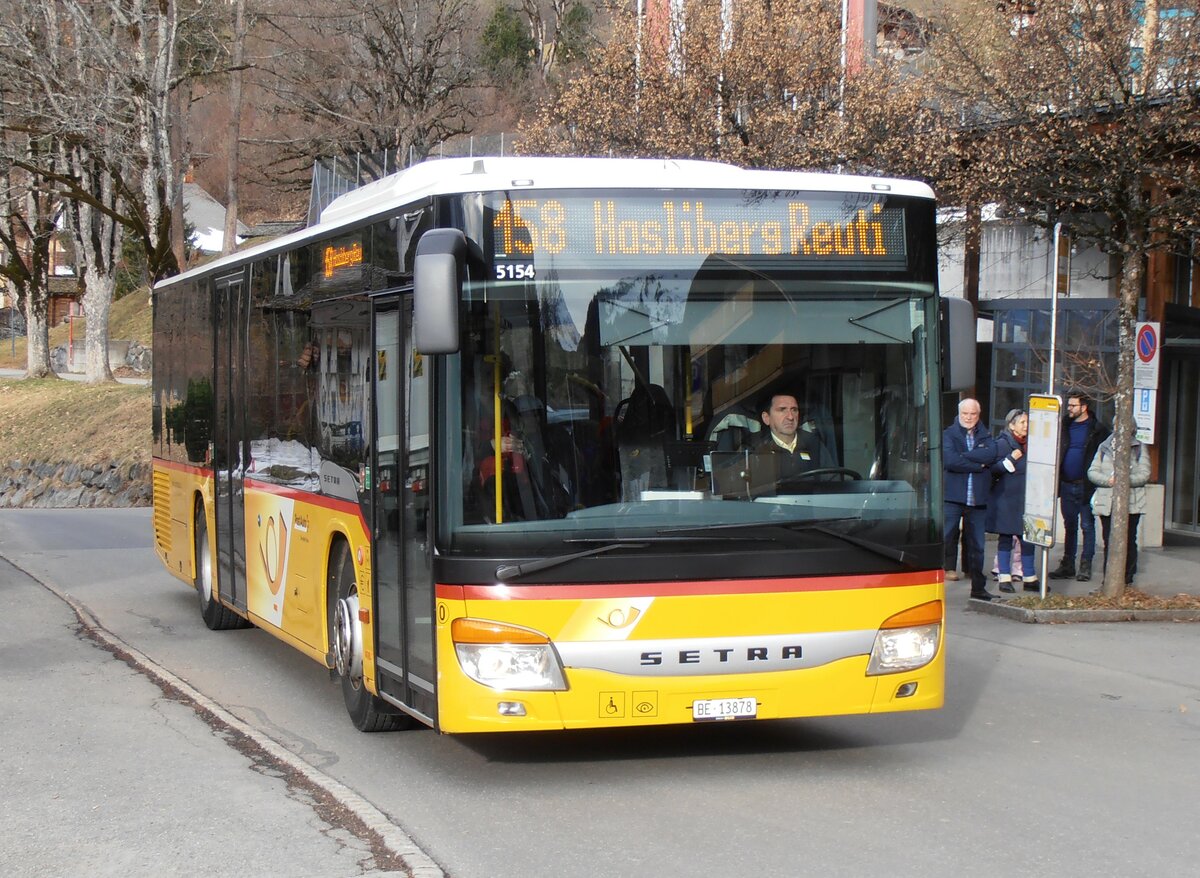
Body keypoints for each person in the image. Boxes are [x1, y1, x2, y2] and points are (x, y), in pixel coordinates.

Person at [1050, 392, 1111, 582]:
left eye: (1073, 406)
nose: (1069, 409)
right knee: (1069, 525)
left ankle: (1085, 565)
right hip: (1067, 484)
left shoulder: (1097, 430)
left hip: (1087, 486)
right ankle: (1068, 564)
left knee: (1087, 526)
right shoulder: (1064, 426)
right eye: (1069, 405)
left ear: (1084, 407)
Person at [943, 398, 999, 601]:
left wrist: (965, 457)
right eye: (965, 413)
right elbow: (949, 460)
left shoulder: (986, 434)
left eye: (973, 414)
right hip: (952, 498)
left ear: (978, 414)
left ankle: (978, 588)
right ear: (959, 414)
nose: (969, 417)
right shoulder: (949, 434)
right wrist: (977, 464)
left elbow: (991, 455)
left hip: (977, 500)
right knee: (944, 538)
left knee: (978, 546)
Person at [1088, 431, 1151, 586]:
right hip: (1107, 502)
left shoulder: (1138, 448)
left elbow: (1145, 474)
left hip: (1131, 503)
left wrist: (1123, 480)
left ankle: (1127, 579)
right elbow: (1092, 472)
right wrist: (1109, 481)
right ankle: (1108, 580)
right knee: (1108, 541)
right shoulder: (1104, 447)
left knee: (1129, 540)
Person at [987, 409, 1039, 593]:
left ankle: (1030, 578)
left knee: (1028, 538)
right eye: (1022, 422)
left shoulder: (1033, 444)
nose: (1026, 426)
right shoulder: (1002, 444)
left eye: (1027, 422)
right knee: (1006, 538)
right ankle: (1004, 578)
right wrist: (1010, 459)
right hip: (1006, 499)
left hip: (1026, 499)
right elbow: (992, 470)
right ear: (1011, 425)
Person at [755, 393, 823, 482]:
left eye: (794, 410)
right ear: (766, 418)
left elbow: (832, 481)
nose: (790, 417)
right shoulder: (756, 448)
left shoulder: (813, 442)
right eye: (782, 410)